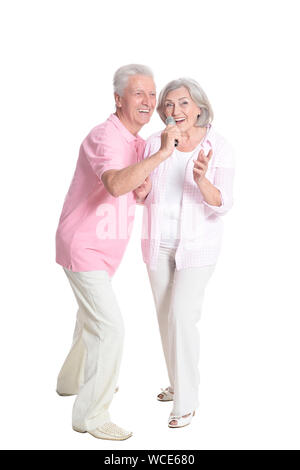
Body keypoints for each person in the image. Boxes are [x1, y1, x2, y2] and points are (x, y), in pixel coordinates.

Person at [55, 64, 180, 440]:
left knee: (90, 322)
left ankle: (70, 382)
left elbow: (134, 189)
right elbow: (113, 184)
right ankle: (91, 416)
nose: (148, 101)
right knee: (110, 329)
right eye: (138, 93)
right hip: (83, 245)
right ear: (118, 99)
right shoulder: (105, 136)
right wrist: (158, 158)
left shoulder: (138, 143)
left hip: (106, 250)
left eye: (151, 94)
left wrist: (144, 186)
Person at [134, 78, 235, 428]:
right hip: (157, 243)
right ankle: (178, 384)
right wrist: (142, 190)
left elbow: (223, 203)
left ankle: (187, 402)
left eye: (183, 103)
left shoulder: (217, 146)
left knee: (181, 315)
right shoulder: (153, 143)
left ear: (198, 107)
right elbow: (143, 195)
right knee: (165, 318)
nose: (175, 111)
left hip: (198, 247)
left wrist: (202, 179)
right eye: (169, 105)